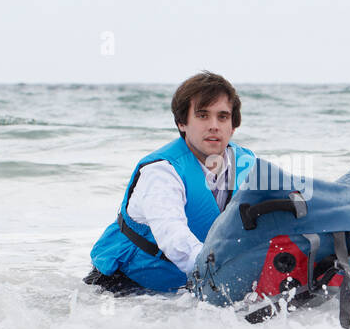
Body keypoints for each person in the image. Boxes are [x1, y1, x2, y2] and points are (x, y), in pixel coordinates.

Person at [84, 71, 256, 295]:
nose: (214, 126)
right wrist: (224, 279)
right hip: (124, 286)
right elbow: (174, 239)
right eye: (203, 116)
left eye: (222, 117)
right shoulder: (162, 173)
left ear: (233, 126)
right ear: (182, 123)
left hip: (185, 288)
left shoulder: (247, 164)